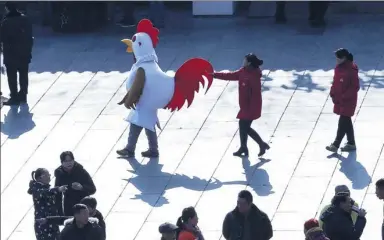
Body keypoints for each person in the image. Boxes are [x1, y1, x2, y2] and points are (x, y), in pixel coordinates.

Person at [213, 53, 270, 157]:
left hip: (251, 107)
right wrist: (215, 75)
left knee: (245, 127)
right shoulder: (243, 71)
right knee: (243, 126)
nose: (242, 62)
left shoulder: (254, 76)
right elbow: (230, 75)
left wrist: (249, 109)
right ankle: (244, 147)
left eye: (244, 60)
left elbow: (255, 94)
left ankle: (260, 145)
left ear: (249, 63)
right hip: (245, 106)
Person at [326, 48, 359, 153]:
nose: (336, 60)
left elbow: (355, 87)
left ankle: (336, 144)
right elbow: (335, 82)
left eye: (337, 58)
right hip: (340, 99)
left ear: (344, 58)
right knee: (346, 121)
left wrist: (344, 96)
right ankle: (351, 143)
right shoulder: (339, 68)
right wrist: (332, 93)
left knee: (342, 122)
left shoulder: (351, 70)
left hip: (348, 101)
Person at [0, 2, 33, 105]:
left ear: (7, 9)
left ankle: (14, 96)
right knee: (23, 74)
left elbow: (2, 37)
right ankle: (23, 95)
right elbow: (30, 36)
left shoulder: (6, 22)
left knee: (12, 76)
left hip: (11, 53)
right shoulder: (25, 20)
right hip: (24, 52)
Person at [28, 168, 68, 240]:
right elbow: (44, 193)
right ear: (40, 177)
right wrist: (58, 189)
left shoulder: (47, 188)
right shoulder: (36, 188)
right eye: (47, 175)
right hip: (42, 223)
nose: (49, 177)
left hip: (52, 221)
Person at [54, 151, 96, 216]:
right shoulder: (60, 173)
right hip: (69, 205)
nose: (69, 163)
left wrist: (82, 187)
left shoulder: (81, 171)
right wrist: (59, 213)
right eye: (66, 161)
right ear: (62, 163)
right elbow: (57, 194)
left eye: (70, 160)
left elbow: (92, 189)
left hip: (83, 204)